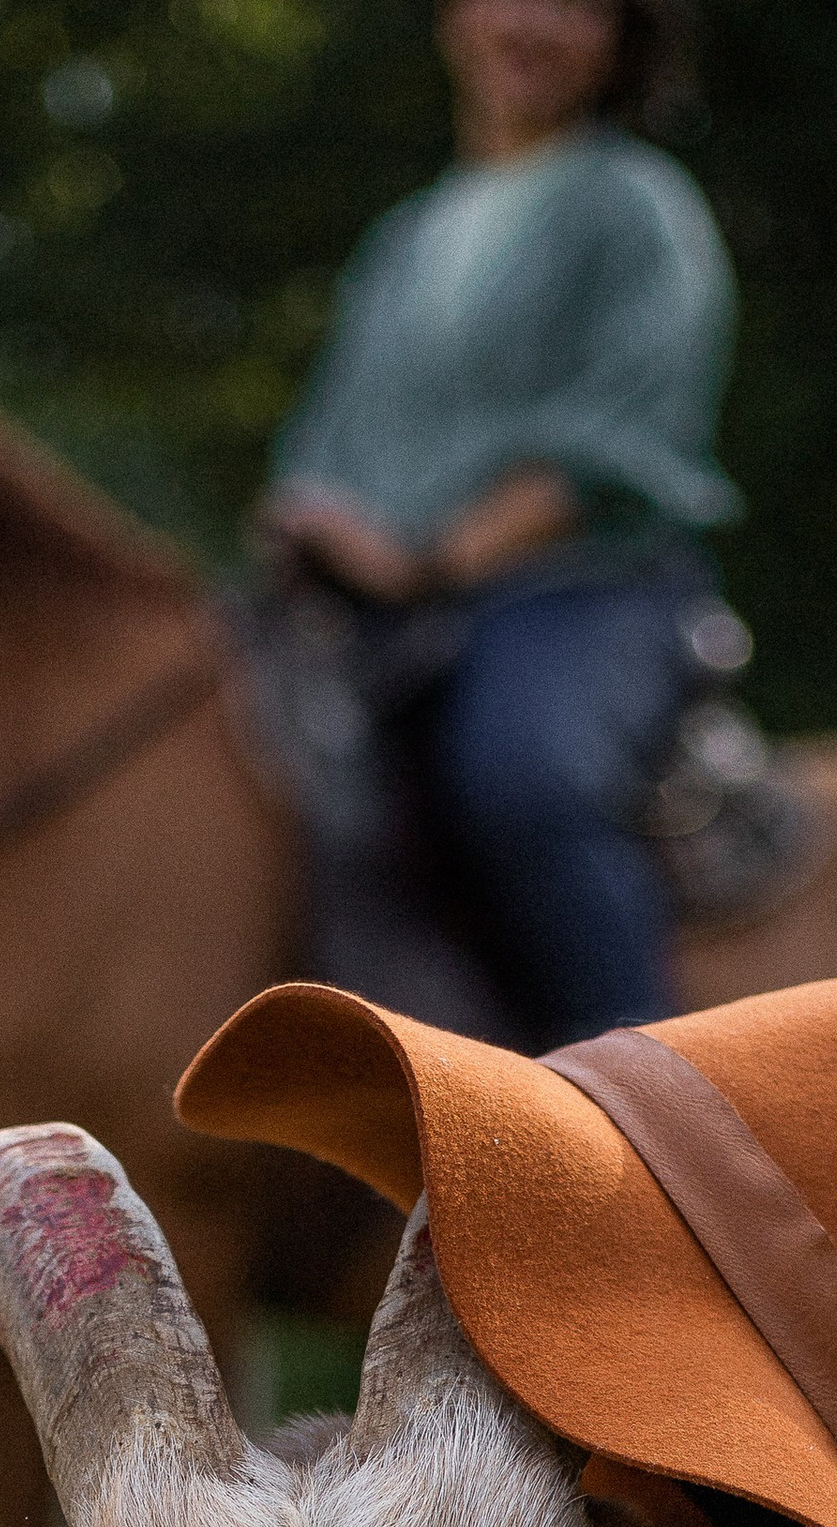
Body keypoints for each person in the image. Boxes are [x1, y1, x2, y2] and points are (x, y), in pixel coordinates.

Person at [260, 0, 737, 1045]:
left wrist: (426, 562)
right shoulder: (409, 236)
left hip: (577, 591)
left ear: (620, 43)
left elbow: (624, 437)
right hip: (384, 613)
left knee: (518, 779)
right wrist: (303, 521)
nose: (533, 24)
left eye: (578, 6)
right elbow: (328, 441)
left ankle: (641, 1098)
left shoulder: (635, 206)